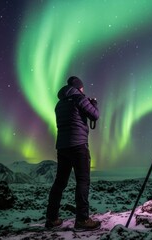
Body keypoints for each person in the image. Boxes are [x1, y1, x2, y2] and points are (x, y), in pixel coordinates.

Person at [45, 76, 101, 231]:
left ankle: (52, 218)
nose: (83, 91)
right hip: (78, 146)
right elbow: (95, 115)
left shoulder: (59, 103)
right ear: (78, 88)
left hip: (62, 146)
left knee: (59, 182)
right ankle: (82, 220)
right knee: (83, 181)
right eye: (82, 88)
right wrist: (93, 103)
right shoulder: (79, 99)